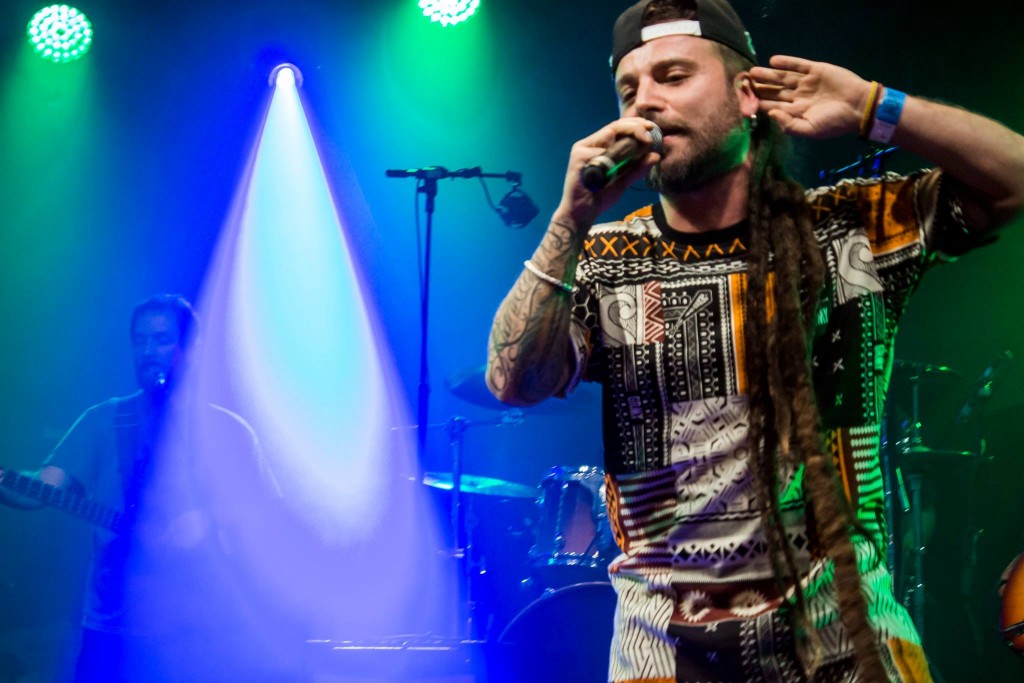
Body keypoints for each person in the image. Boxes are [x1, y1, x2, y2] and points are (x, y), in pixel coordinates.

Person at [485, 0, 1024, 680]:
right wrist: (569, 220)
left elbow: (1012, 181)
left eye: (673, 75)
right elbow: (513, 381)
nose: (645, 101)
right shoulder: (604, 258)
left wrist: (873, 106)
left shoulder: (849, 229)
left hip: (844, 633)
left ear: (748, 95)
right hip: (664, 643)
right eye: (629, 88)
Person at [0, 294, 284, 683]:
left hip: (197, 633)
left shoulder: (228, 429)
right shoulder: (103, 420)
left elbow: (268, 516)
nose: (148, 351)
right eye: (140, 340)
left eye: (162, 340)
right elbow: (42, 486)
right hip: (110, 628)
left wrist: (208, 520)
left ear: (191, 347)